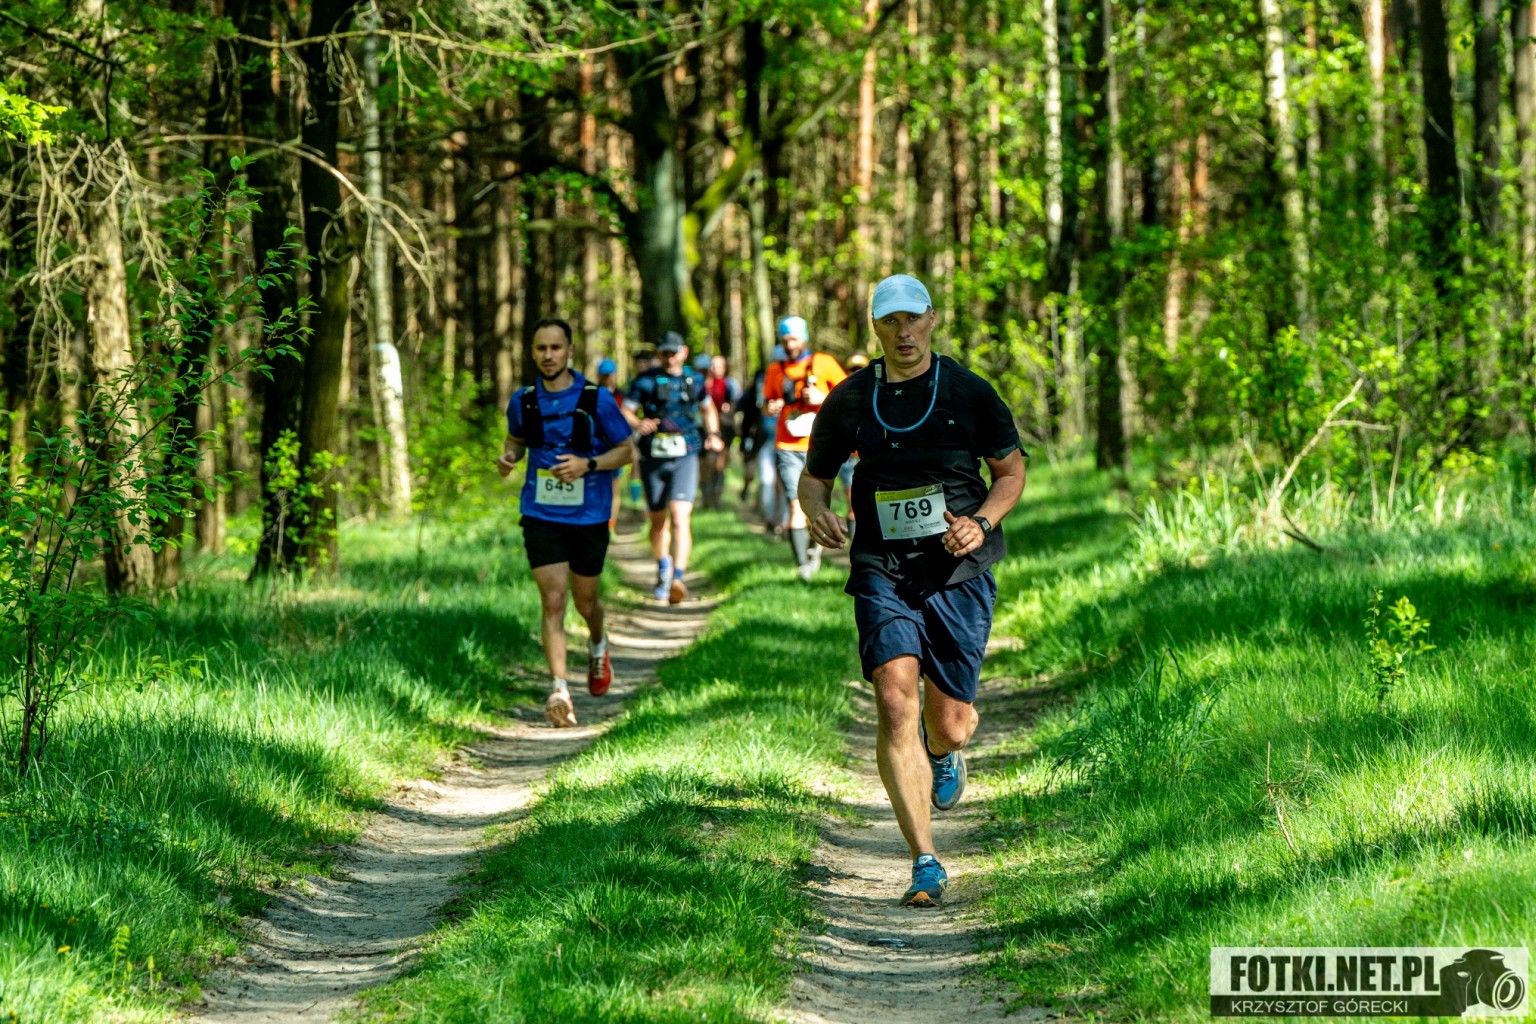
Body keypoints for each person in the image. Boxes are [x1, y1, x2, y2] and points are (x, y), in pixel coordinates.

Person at [799, 274, 1027, 908]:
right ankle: (924, 859)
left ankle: (943, 750)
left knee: (949, 725)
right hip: (882, 566)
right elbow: (815, 478)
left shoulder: (968, 392)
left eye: (912, 319)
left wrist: (981, 523)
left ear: (932, 320)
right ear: (875, 328)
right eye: (889, 322)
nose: (903, 333)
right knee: (895, 697)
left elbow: (1010, 474)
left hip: (958, 570)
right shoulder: (850, 399)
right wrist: (817, 512)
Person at [498, 318, 636, 729]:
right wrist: (509, 458)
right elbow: (516, 440)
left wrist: (587, 464)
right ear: (532, 352)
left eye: (555, 347)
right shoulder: (523, 400)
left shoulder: (597, 399)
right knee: (554, 600)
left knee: (585, 602)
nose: (548, 355)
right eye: (541, 348)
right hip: (541, 514)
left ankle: (598, 644)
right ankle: (559, 689)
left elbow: (626, 450)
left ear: (569, 351)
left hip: (589, 515)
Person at [625, 331, 724, 603]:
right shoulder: (645, 381)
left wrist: (713, 434)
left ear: (683, 352)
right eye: (665, 353)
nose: (670, 358)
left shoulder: (694, 380)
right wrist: (638, 423)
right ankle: (663, 567)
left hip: (686, 454)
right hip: (653, 456)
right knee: (658, 521)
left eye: (674, 352)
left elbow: (708, 408)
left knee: (681, 517)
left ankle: (678, 578)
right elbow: (627, 410)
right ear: (659, 354)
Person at [765, 316, 847, 580]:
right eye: (784, 340)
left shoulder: (824, 363)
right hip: (787, 445)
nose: (789, 345)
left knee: (817, 504)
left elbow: (849, 398)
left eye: (793, 339)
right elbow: (766, 403)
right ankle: (803, 567)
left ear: (804, 338)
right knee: (794, 504)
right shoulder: (775, 370)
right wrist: (771, 407)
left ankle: (815, 547)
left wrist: (822, 398)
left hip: (821, 445)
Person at [700, 354, 741, 509]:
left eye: (719, 366)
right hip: (705, 428)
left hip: (725, 428)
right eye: (713, 365)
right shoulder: (703, 384)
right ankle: (706, 496)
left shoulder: (731, 384)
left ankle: (717, 496)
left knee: (719, 464)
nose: (716, 368)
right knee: (706, 464)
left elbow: (737, 403)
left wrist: (729, 410)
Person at [596, 357, 633, 527]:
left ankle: (611, 523)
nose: (607, 378)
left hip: (616, 446)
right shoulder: (591, 394)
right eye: (604, 375)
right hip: (596, 448)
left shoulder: (622, 395)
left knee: (614, 486)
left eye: (609, 374)